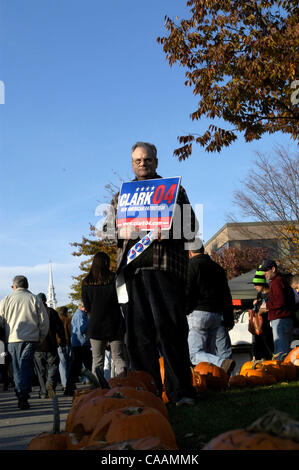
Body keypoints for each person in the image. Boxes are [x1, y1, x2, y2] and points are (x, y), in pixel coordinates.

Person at [103, 141, 198, 406]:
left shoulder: (172, 190)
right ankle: (147, 394)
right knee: (138, 337)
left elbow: (191, 226)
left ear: (156, 161)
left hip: (164, 268)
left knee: (171, 331)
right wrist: (119, 233)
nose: (142, 164)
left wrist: (166, 232)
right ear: (131, 163)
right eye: (137, 160)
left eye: (147, 160)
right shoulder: (121, 196)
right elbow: (107, 231)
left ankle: (182, 393)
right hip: (132, 273)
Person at [186, 242, 236, 377]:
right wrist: (229, 318)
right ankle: (214, 382)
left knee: (195, 355)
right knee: (208, 354)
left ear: (190, 253)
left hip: (198, 313)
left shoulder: (191, 266)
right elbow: (226, 294)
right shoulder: (218, 268)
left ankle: (222, 363)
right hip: (216, 314)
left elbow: (188, 290)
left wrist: (186, 309)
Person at [0, 276, 49, 409]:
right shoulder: (35, 299)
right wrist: (41, 337)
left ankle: (20, 393)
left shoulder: (6, 300)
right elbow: (44, 321)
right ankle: (24, 394)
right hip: (31, 338)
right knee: (26, 366)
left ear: (14, 286)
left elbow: (1, 321)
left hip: (13, 338)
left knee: (17, 368)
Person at [81, 251, 126, 378]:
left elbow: (87, 306)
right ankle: (125, 384)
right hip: (115, 323)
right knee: (118, 357)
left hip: (96, 324)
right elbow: (122, 299)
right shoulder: (114, 278)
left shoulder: (86, 282)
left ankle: (97, 390)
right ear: (106, 263)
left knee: (97, 360)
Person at [260, 259, 295, 359]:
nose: (264, 273)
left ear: (273, 269)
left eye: (266, 270)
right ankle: (288, 373)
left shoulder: (276, 282)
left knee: (281, 353)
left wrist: (266, 306)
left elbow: (279, 302)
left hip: (280, 320)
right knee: (287, 353)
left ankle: (283, 374)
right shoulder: (282, 280)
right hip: (286, 319)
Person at [33, 293, 66, 398]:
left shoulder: (33, 313)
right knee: (53, 366)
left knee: (41, 370)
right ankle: (50, 383)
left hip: (38, 346)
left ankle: (43, 392)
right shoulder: (52, 312)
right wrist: (63, 341)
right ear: (46, 300)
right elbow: (60, 328)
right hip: (51, 344)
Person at [63, 300, 92, 396]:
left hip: (79, 344)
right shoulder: (80, 315)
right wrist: (91, 322)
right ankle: (97, 385)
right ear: (83, 307)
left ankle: (69, 388)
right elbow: (82, 329)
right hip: (81, 344)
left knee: (77, 366)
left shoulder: (78, 314)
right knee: (86, 365)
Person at [251, 267, 274, 359]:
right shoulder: (259, 295)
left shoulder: (271, 294)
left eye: (256, 284)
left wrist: (262, 310)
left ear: (262, 284)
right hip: (259, 328)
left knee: (268, 350)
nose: (254, 287)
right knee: (259, 350)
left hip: (268, 328)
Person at [56, 305, 72, 391]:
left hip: (59, 344)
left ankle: (64, 384)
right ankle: (69, 383)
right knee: (69, 364)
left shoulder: (57, 320)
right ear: (66, 312)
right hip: (67, 344)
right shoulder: (68, 320)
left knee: (62, 365)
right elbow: (71, 332)